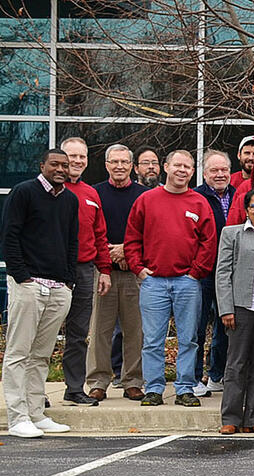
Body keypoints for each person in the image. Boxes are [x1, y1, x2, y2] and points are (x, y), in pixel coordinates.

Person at [125, 150, 218, 407]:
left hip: (187, 282)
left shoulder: (199, 203)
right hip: (153, 282)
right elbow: (132, 238)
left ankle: (185, 388)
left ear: (192, 171)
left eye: (187, 167)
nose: (182, 170)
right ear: (166, 167)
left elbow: (208, 242)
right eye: (177, 165)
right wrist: (138, 268)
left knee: (189, 339)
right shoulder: (147, 200)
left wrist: (196, 272)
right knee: (152, 340)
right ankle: (154, 389)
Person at [2, 149, 78, 438]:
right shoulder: (24, 192)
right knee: (18, 353)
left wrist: (69, 281)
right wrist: (22, 276)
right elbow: (9, 236)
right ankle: (17, 417)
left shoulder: (69, 200)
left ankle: (36, 413)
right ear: (42, 165)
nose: (60, 169)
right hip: (29, 285)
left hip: (59, 288)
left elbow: (72, 241)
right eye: (54, 164)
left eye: (65, 165)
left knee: (41, 355)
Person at [214, 188, 254, 435]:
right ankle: (230, 417)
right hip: (241, 307)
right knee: (236, 363)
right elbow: (222, 273)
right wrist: (226, 308)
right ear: (246, 210)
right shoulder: (232, 234)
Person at [89, 144, 148, 402]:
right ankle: (98, 381)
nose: (119, 166)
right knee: (100, 330)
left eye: (124, 162)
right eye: (114, 162)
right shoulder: (95, 194)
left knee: (135, 330)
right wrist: (110, 255)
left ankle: (132, 381)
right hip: (103, 272)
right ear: (106, 165)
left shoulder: (144, 195)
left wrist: (127, 251)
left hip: (134, 272)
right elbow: (90, 230)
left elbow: (151, 231)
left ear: (132, 166)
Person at [58, 137, 111, 407]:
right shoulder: (49, 191)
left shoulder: (91, 194)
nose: (77, 161)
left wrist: (104, 269)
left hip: (84, 270)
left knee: (78, 334)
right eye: (72, 156)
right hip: (53, 270)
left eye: (82, 156)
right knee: (44, 335)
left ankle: (74, 388)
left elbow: (100, 235)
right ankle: (34, 391)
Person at [192, 150, 235, 398]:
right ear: (205, 173)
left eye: (224, 170)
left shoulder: (238, 196)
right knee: (197, 327)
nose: (220, 174)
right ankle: (195, 377)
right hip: (203, 272)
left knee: (226, 326)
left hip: (229, 272)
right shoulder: (195, 197)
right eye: (214, 170)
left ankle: (217, 375)